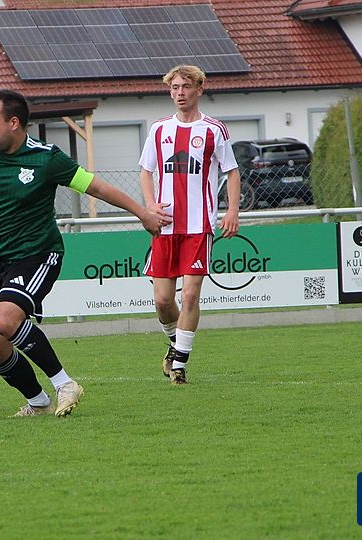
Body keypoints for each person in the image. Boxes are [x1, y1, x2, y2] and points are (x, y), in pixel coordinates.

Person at [0, 89, 170, 417]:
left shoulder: (46, 158)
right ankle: (38, 402)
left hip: (39, 253)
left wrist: (142, 213)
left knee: (5, 318)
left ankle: (64, 383)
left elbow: (97, 187)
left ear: (14, 123)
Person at [138, 64, 240, 385]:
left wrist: (232, 210)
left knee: (191, 296)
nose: (179, 93)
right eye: (174, 88)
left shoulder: (214, 130)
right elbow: (146, 171)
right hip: (165, 225)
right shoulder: (159, 129)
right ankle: (175, 344)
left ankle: (180, 365)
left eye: (185, 87)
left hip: (198, 225)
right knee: (163, 300)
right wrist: (150, 205)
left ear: (199, 89)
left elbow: (232, 172)